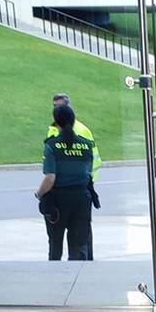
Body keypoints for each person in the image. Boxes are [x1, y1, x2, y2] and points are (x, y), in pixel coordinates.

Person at [36, 105, 95, 261]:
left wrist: (39, 194)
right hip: (82, 200)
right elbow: (88, 171)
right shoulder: (87, 145)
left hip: (58, 201)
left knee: (55, 246)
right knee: (79, 246)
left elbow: (50, 178)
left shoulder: (52, 145)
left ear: (57, 122)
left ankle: (56, 280)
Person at [48, 93, 101, 260]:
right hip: (78, 191)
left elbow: (91, 160)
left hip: (77, 188)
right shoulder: (52, 129)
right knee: (76, 238)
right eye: (54, 106)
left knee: (80, 240)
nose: (56, 109)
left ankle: (84, 264)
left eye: (59, 106)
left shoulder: (82, 131)